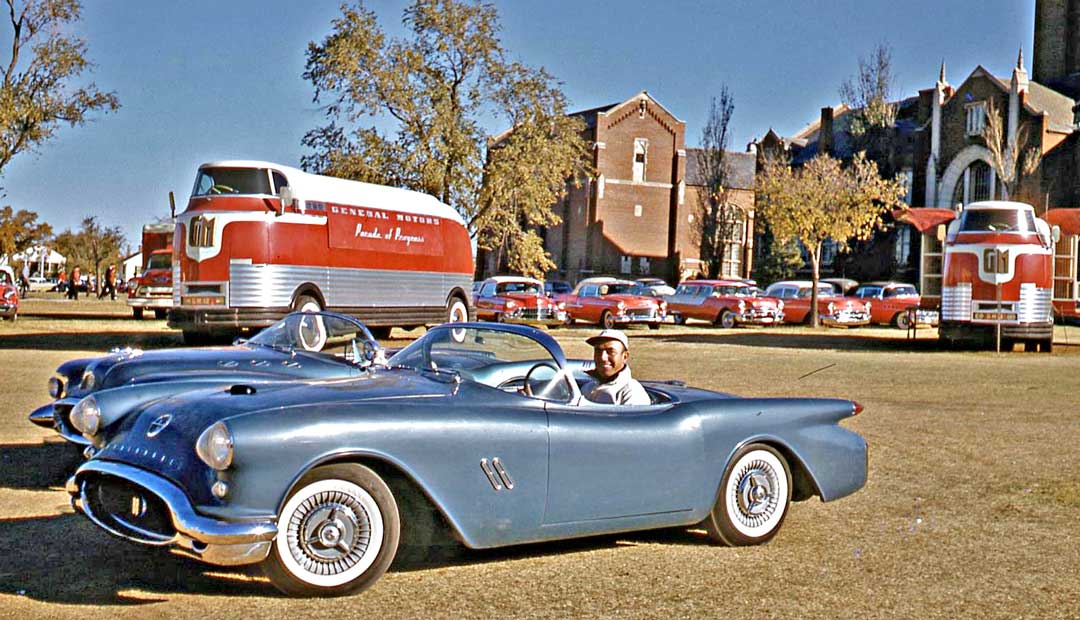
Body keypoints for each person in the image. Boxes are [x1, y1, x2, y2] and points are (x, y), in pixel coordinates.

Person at [581, 329, 651, 405]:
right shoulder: (588, 388)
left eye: (611, 352)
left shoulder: (632, 393)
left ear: (625, 356)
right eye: (598, 350)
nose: (602, 357)